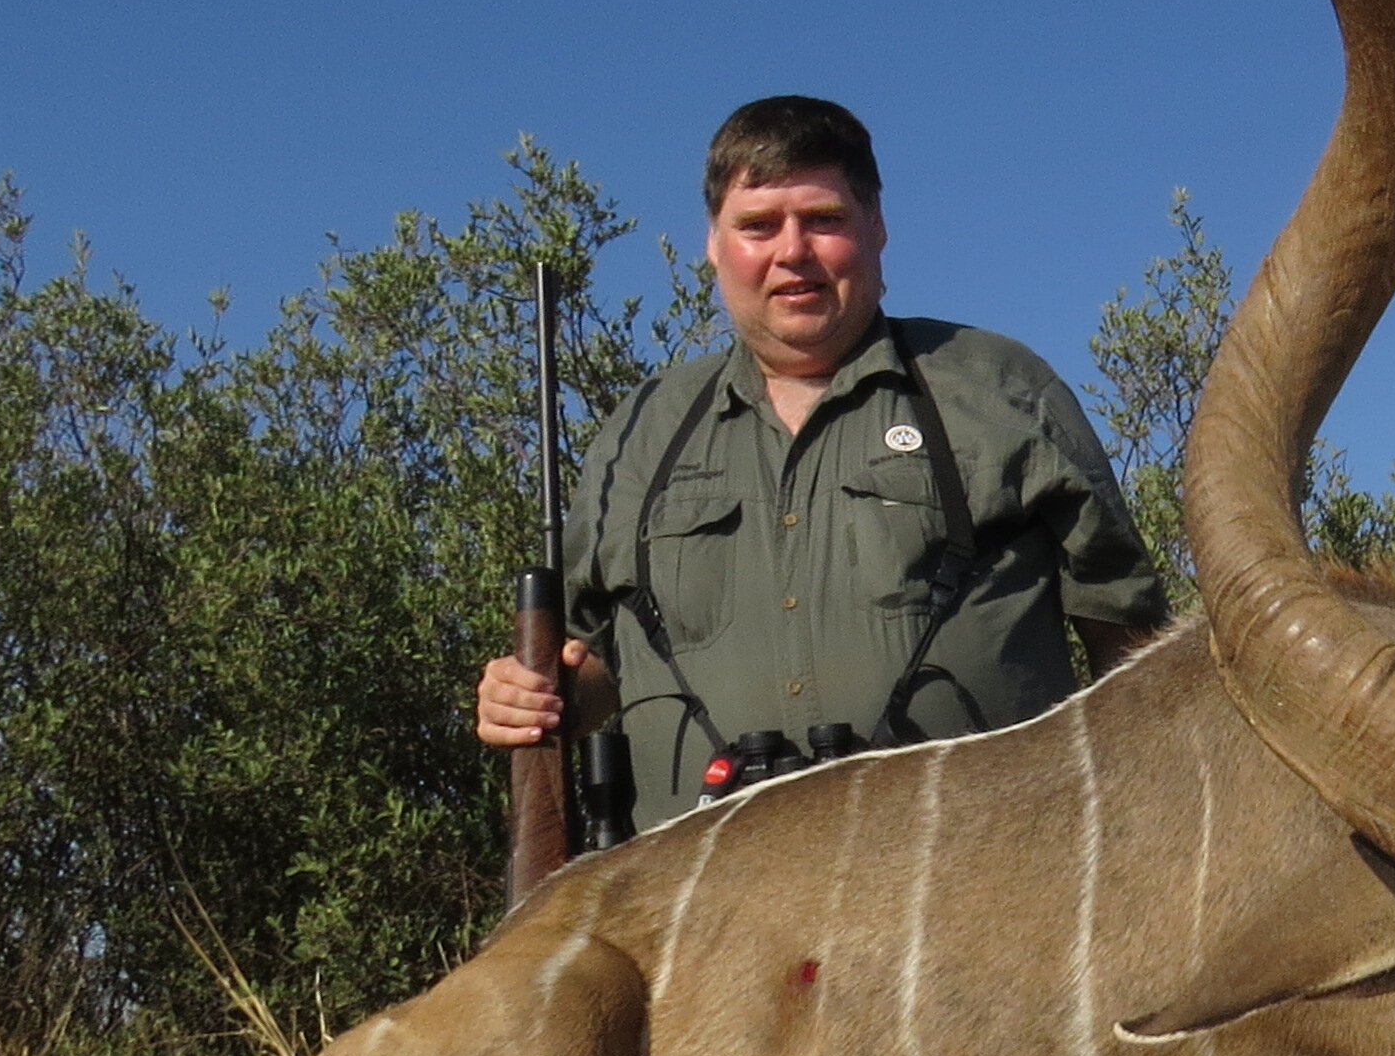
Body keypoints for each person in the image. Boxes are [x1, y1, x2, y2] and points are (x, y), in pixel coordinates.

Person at [476, 94, 1170, 826]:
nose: (792, 251)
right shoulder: (639, 430)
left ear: (876, 227)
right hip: (700, 906)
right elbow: (597, 670)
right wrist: (531, 698)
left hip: (974, 896)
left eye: (824, 220)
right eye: (758, 226)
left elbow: (1129, 641)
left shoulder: (999, 386)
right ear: (713, 243)